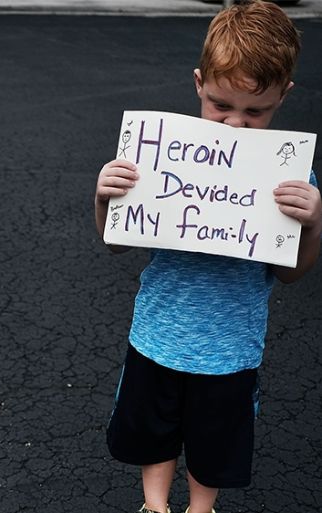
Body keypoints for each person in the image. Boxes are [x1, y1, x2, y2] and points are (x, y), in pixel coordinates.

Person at [93, 2, 322, 513]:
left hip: (231, 347)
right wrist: (105, 198)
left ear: (284, 96)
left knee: (214, 441)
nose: (235, 123)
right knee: (152, 429)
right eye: (221, 105)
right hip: (158, 332)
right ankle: (154, 506)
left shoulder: (289, 180)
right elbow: (116, 241)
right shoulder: (158, 156)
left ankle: (201, 508)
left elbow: (291, 273)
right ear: (199, 84)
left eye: (255, 112)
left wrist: (313, 223)